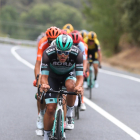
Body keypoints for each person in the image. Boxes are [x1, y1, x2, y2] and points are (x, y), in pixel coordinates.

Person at [40, 34, 83, 140]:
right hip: (52, 76)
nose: (62, 55)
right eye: (59, 53)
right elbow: (44, 76)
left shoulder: (77, 53)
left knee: (71, 86)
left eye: (66, 53)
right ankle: (46, 136)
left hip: (68, 74)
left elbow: (80, 77)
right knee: (50, 108)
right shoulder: (48, 53)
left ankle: (69, 114)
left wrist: (78, 86)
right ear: (55, 49)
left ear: (70, 50)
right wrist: (45, 84)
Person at [33, 26, 61, 132]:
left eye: (54, 40)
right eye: (50, 40)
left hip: (57, 65)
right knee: (41, 90)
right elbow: (38, 63)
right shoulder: (43, 43)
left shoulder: (61, 44)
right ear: (47, 38)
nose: (52, 43)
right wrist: (37, 78)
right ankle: (40, 114)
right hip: (45, 64)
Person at [70, 32, 87, 111]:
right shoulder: (67, 46)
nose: (75, 46)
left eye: (76, 44)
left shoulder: (81, 46)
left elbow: (84, 60)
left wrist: (83, 71)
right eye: (73, 44)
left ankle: (82, 101)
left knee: (80, 79)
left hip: (78, 61)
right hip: (70, 62)